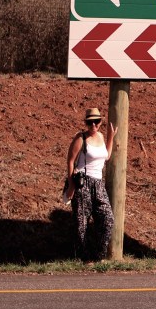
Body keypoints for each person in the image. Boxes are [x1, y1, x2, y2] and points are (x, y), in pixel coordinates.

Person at [64, 107, 117, 261]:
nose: (93, 125)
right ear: (86, 123)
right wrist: (71, 185)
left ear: (101, 122)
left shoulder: (101, 136)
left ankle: (98, 255)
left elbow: (106, 156)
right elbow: (70, 161)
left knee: (107, 219)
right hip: (83, 182)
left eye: (96, 122)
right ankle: (84, 258)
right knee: (82, 223)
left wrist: (111, 137)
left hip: (98, 183)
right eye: (90, 122)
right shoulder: (81, 138)